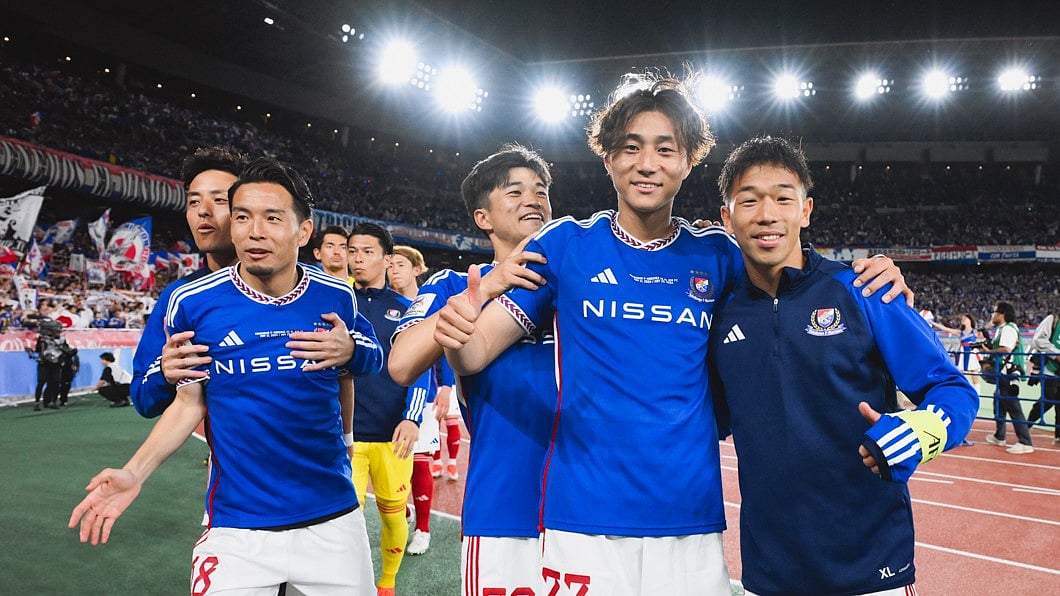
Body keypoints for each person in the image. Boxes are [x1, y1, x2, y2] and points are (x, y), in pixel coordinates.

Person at [433, 77, 910, 595]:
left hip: (690, 517)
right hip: (583, 516)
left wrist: (868, 273)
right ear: (607, 157)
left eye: (666, 149)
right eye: (631, 147)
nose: (647, 164)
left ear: (688, 162)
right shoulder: (565, 243)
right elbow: (477, 352)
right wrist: (457, 333)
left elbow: (795, 281)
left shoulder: (719, 254)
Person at [68, 157, 375, 595]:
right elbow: (184, 403)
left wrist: (351, 351)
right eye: (244, 217)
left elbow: (372, 358)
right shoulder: (191, 302)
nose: (255, 230)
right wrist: (134, 472)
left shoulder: (336, 294)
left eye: (272, 218)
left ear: (303, 231)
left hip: (333, 518)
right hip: (237, 526)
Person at [708, 136, 978, 596]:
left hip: (871, 568)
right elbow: (707, 419)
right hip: (769, 574)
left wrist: (920, 430)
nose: (767, 214)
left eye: (782, 197)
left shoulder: (865, 290)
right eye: (749, 200)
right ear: (727, 218)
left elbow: (954, 390)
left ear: (806, 210)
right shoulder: (719, 315)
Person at [389, 144, 558, 595]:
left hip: (587, 504)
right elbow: (402, 363)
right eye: (515, 191)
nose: (534, 200)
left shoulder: (577, 280)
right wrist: (489, 286)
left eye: (541, 191)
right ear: (482, 217)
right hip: (503, 505)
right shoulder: (451, 284)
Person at [131, 148, 381, 419]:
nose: (203, 211)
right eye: (193, 202)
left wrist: (352, 350)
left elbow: (370, 356)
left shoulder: (318, 290)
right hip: (232, 458)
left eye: (219, 200)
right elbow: (144, 399)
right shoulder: (182, 299)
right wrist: (164, 375)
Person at [347, 223, 433, 596]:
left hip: (390, 434)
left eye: (367, 251)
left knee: (393, 513)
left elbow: (421, 369)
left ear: (386, 258)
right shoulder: (336, 301)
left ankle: (386, 584)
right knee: (342, 519)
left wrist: (412, 419)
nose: (358, 258)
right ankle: (348, 583)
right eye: (353, 251)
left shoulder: (405, 309)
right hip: (343, 438)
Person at [388, 244, 441, 556]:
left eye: (400, 265)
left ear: (417, 269)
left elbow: (444, 346)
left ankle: (423, 528)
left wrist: (446, 386)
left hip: (425, 394)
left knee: (420, 461)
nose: (393, 270)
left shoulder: (432, 300)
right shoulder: (385, 303)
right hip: (390, 396)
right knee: (392, 460)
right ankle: (403, 509)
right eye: (390, 264)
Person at [982, 301, 1033, 454]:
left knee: (1013, 406)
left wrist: (988, 351)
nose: (992, 315)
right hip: (1005, 372)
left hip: (1008, 373)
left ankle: (1025, 441)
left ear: (1002, 314)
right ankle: (999, 435)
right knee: (999, 402)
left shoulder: (1008, 330)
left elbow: (1005, 349)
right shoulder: (1004, 329)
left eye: (995, 312)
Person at [1026, 312, 1060, 445]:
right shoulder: (1053, 320)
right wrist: (1056, 355)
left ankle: (1058, 436)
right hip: (1049, 369)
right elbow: (1038, 340)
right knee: (1048, 399)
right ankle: (1027, 424)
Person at [930, 313, 983, 387]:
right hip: (962, 355)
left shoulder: (975, 332)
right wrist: (932, 323)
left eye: (965, 318)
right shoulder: (960, 332)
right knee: (964, 378)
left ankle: (978, 395)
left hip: (972, 354)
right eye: (962, 319)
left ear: (970, 320)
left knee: (975, 378)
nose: (963, 320)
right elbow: (945, 328)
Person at [28, 316, 64, 410]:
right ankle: (36, 402)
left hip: (56, 362)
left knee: (56, 382)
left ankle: (53, 401)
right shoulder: (42, 339)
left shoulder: (61, 339)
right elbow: (38, 349)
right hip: (44, 363)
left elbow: (65, 348)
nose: (58, 332)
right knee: (41, 382)